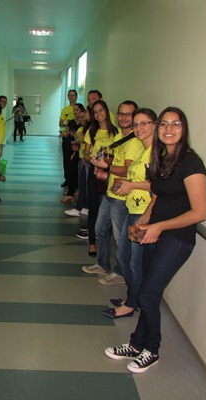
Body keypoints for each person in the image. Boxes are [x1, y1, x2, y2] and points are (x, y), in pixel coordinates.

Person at [104, 106, 206, 373]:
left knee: (148, 296)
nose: (169, 129)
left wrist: (159, 226)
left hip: (177, 239)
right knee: (148, 292)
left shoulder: (191, 162)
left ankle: (152, 349)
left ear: (184, 130)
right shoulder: (163, 158)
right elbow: (158, 194)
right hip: (154, 233)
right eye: (164, 124)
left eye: (176, 124)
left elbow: (200, 212)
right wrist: (143, 221)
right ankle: (136, 343)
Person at [101, 108, 156, 318]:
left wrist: (131, 186)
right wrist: (128, 184)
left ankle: (132, 303)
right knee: (124, 257)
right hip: (132, 209)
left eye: (144, 123)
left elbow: (158, 185)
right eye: (136, 124)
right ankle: (132, 296)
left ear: (155, 125)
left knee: (134, 262)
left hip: (144, 213)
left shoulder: (155, 153)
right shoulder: (143, 150)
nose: (139, 128)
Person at [82, 101, 142, 287]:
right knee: (100, 229)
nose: (124, 117)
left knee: (120, 238)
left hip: (122, 197)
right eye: (121, 113)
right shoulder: (119, 138)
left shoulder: (133, 141)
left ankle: (121, 273)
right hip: (110, 193)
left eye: (128, 114)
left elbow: (126, 169)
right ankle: (103, 264)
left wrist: (105, 166)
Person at [83, 99, 122, 257]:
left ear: (107, 111)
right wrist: (92, 159)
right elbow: (85, 154)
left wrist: (107, 162)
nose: (98, 114)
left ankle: (106, 237)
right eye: (95, 112)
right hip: (95, 172)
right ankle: (92, 241)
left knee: (109, 207)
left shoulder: (117, 133)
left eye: (101, 110)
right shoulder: (91, 132)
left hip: (111, 172)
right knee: (93, 207)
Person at [59, 89, 78, 187]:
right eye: (69, 95)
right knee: (66, 159)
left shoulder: (79, 108)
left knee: (75, 160)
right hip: (67, 137)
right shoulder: (65, 110)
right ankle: (67, 179)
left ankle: (75, 181)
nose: (71, 97)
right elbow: (60, 123)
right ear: (67, 97)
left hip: (77, 138)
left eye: (73, 95)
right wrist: (69, 124)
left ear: (76, 97)